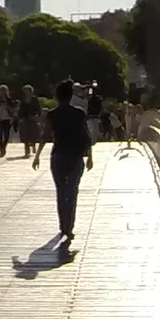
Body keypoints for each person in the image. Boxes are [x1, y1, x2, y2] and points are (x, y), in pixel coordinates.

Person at [45, 79, 95, 255]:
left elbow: (45, 135)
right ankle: (70, 227)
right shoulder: (79, 113)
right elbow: (86, 136)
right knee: (72, 192)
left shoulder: (52, 114)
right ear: (70, 96)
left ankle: (63, 225)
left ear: (57, 97)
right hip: (75, 158)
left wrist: (36, 156)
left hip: (58, 156)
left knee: (60, 191)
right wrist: (90, 156)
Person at [16, 84, 44, 164]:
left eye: (27, 91)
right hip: (25, 118)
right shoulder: (23, 99)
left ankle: (33, 144)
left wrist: (37, 115)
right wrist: (20, 117)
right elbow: (21, 109)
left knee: (33, 133)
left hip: (32, 118)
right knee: (25, 134)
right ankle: (27, 149)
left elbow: (38, 109)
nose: (26, 93)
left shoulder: (34, 99)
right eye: (25, 91)